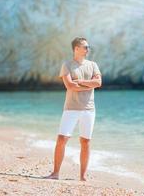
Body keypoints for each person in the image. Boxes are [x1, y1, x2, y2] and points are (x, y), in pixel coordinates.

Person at [44, 37, 102, 181]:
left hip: (89, 109)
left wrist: (81, 82)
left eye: (88, 47)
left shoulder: (93, 65)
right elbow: (70, 86)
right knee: (62, 139)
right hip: (71, 108)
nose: (88, 49)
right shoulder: (67, 65)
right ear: (76, 48)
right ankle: (55, 173)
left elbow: (98, 82)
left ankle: (82, 177)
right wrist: (89, 84)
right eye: (85, 47)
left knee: (85, 141)